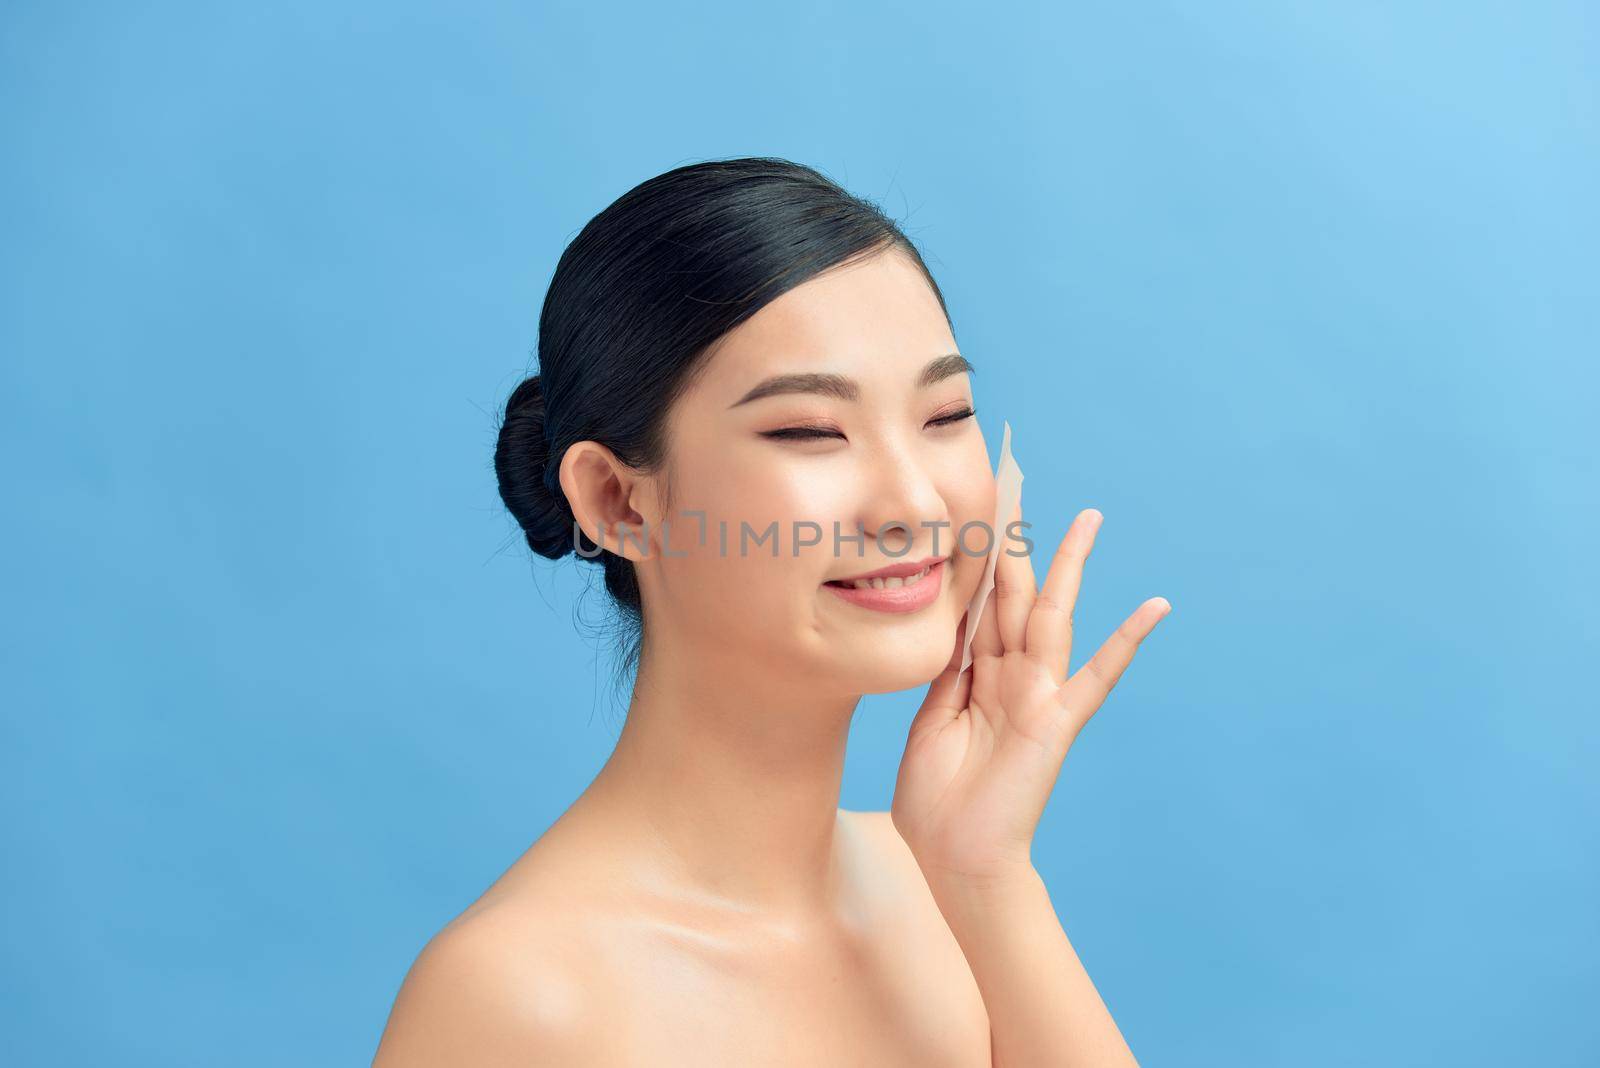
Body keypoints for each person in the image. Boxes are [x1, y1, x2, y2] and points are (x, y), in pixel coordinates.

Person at [372, 156, 1171, 1066]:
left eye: (945, 414)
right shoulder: (521, 1002)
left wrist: (987, 877)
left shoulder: (943, 888)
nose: (914, 503)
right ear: (618, 503)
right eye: (808, 431)